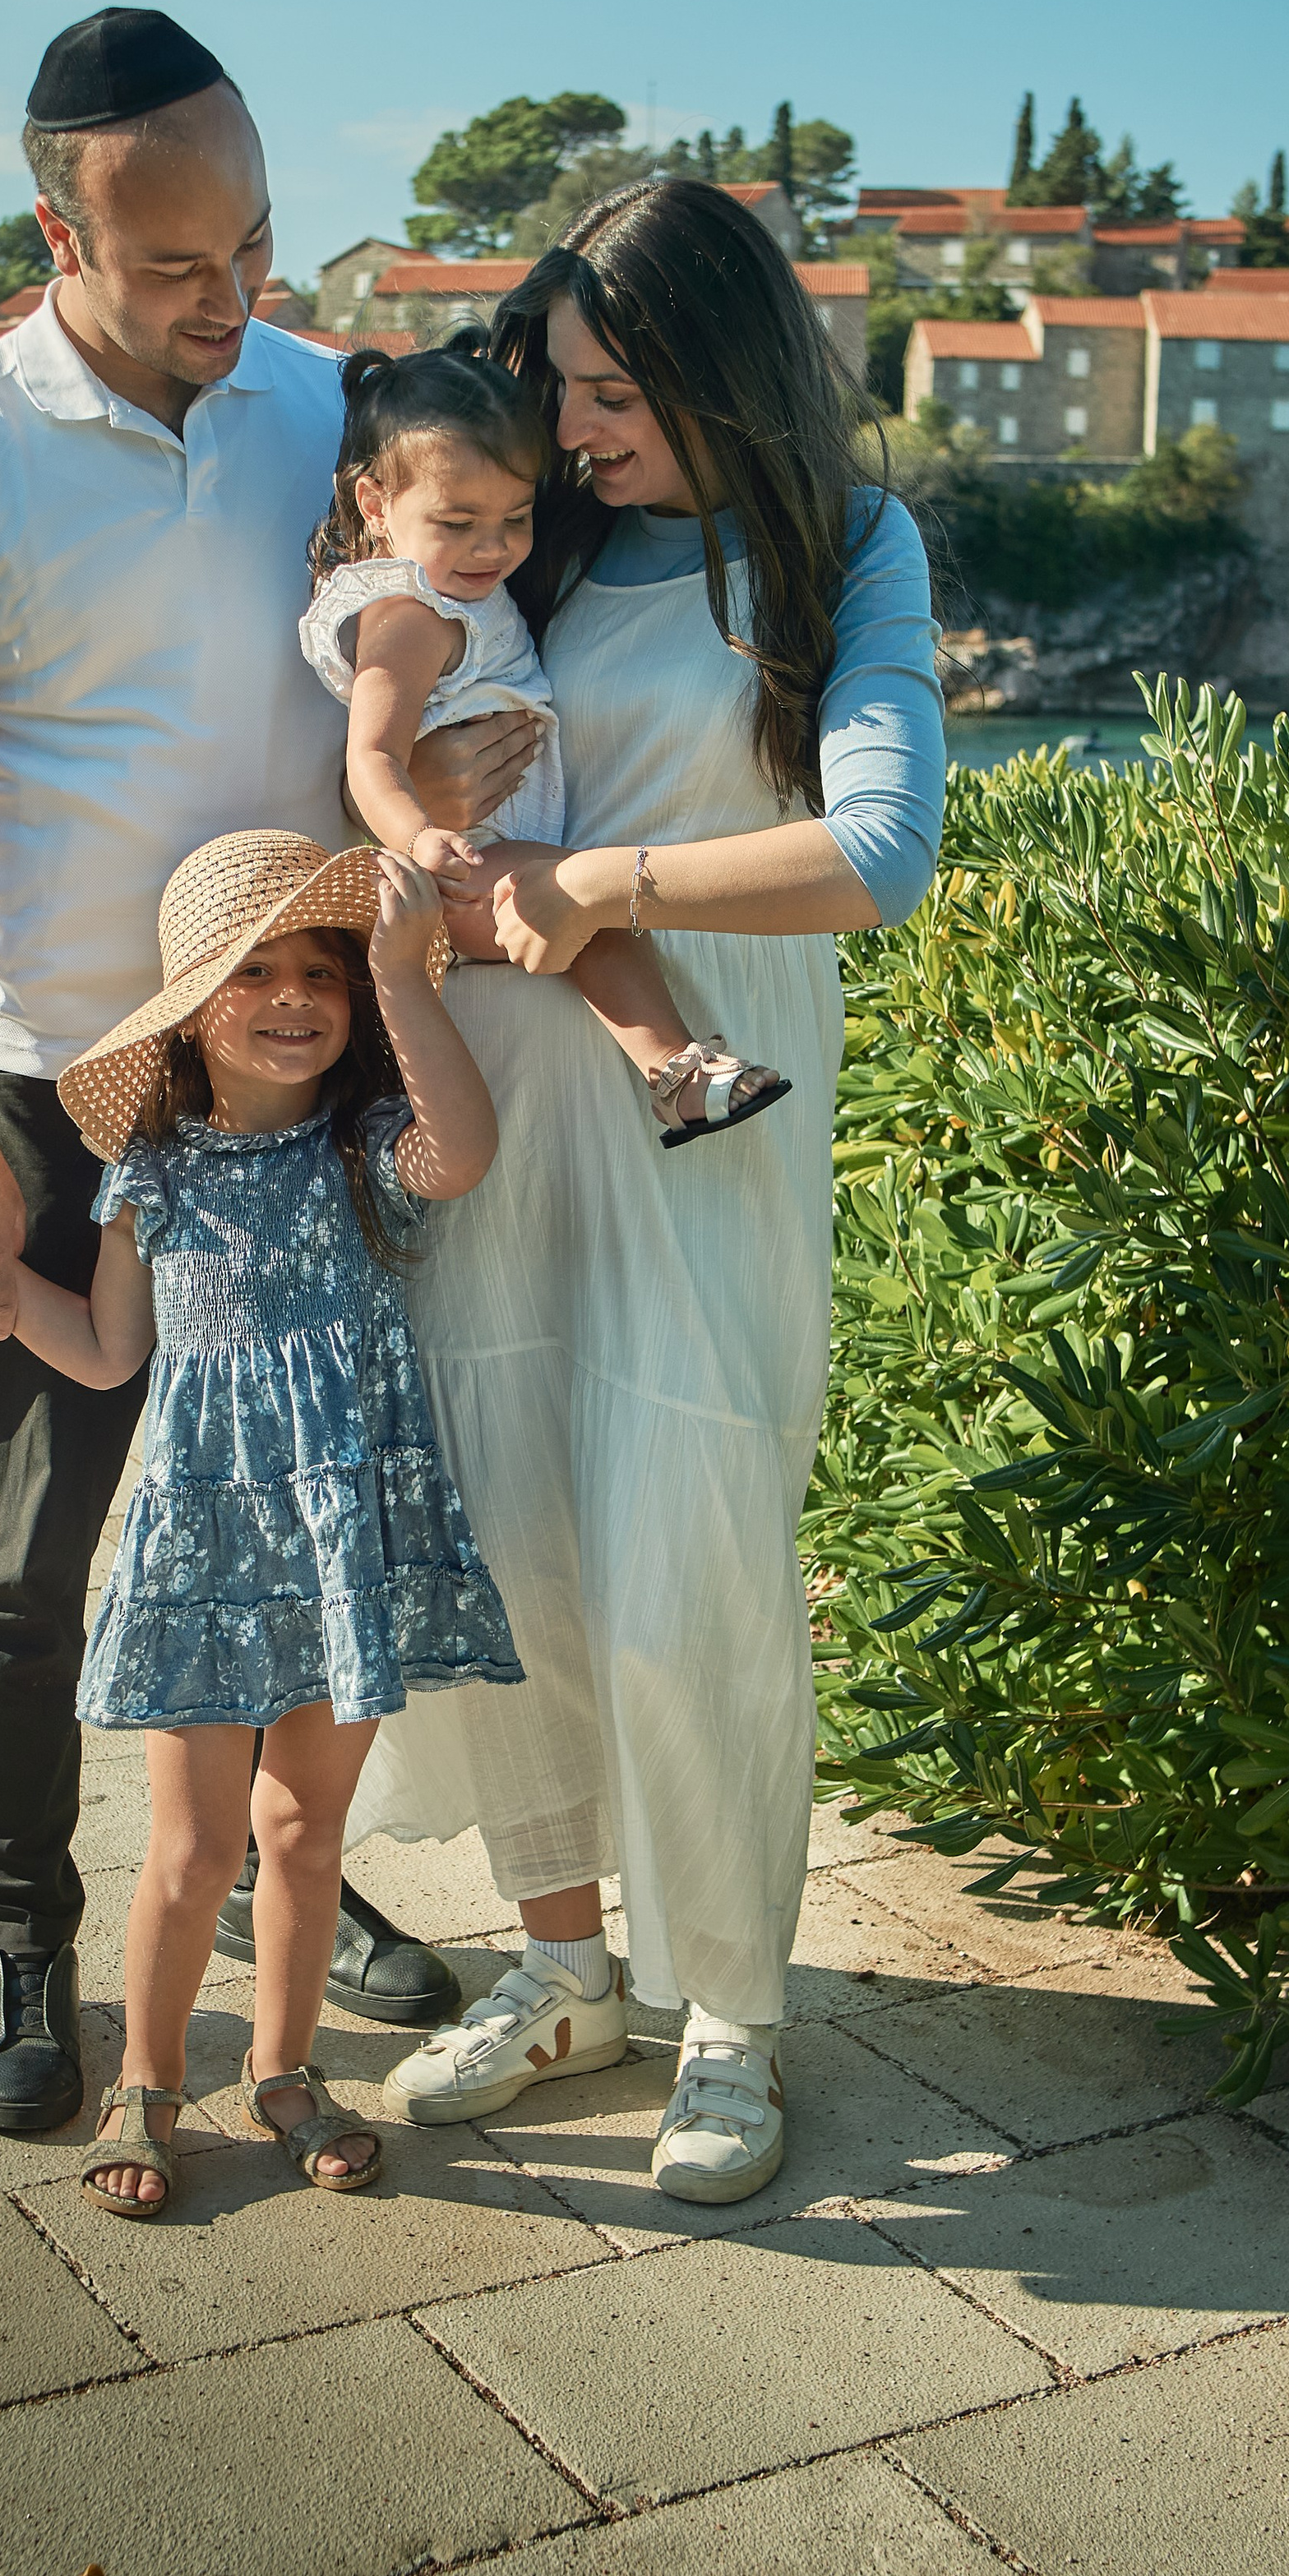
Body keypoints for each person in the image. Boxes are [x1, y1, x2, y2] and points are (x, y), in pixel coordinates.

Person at [0, 7, 460, 2147]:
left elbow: (435, 628)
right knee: (27, 1560)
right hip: (40, 1090)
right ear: (57, 231)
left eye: (259, 244)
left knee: (298, 1508)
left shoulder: (322, 410)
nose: (236, 298)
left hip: (290, 1077)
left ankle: (296, 1860)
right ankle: (23, 1930)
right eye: (182, 266)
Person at [349, 176, 948, 2204]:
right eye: (560, 385)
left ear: (715, 367)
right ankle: (558, 1962)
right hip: (502, 1101)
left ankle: (729, 2013)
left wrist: (599, 883)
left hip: (710, 1102)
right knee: (511, 1536)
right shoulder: (536, 538)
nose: (573, 426)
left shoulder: (843, 547)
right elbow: (405, 743)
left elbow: (874, 850)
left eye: (611, 388)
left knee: (692, 1563)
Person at [0, 831, 520, 2216]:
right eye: (254, 971)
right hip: (209, 1547)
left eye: (319, 971)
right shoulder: (152, 1172)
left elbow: (465, 1151)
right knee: (193, 1847)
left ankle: (285, 2072)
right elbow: (109, 1353)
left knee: (305, 1835)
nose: (295, 995)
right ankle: (149, 2082)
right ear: (188, 1005)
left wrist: (406, 970)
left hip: (345, 1536)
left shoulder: (366, 1146)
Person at [299, 340, 788, 1147]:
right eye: (459, 524)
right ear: (375, 503)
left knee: (591, 912)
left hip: (479, 850)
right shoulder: (408, 614)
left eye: (514, 519)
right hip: (451, 870)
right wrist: (422, 836)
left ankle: (683, 1074)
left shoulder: (457, 585)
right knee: (593, 914)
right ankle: (681, 1077)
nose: (493, 547)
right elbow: (372, 755)